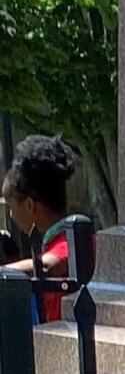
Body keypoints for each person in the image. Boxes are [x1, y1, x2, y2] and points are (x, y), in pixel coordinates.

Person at [2, 136, 80, 325]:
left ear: (30, 205)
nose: (11, 215)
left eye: (11, 207)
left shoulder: (73, 239)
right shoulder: (56, 239)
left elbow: (47, 266)